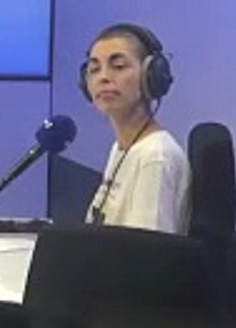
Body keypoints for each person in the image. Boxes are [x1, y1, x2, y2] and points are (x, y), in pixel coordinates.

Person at [80, 23, 190, 234]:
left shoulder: (155, 156)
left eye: (119, 66)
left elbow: (146, 250)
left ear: (150, 76)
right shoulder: (121, 148)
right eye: (94, 69)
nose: (103, 77)